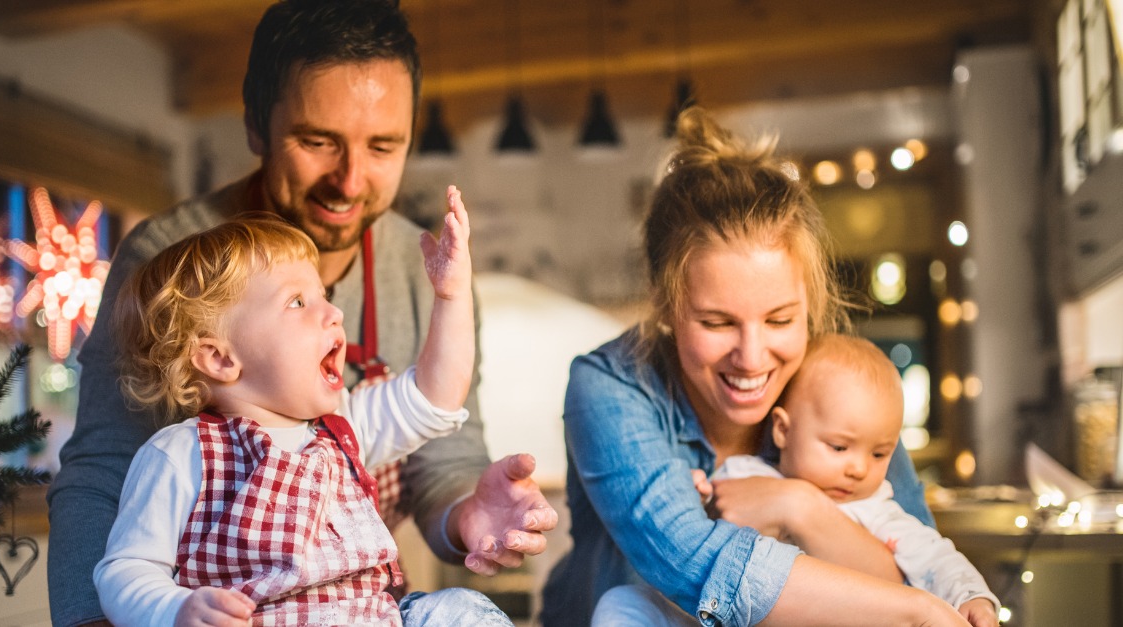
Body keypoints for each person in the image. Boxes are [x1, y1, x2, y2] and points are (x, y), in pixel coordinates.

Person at [47, 2, 556, 625]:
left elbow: (443, 441)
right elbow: (105, 469)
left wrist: (469, 515)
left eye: (384, 146)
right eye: (317, 141)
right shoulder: (170, 267)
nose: (350, 181)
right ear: (257, 127)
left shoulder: (426, 274)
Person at [540, 106, 970, 627]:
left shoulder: (843, 385)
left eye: (780, 319)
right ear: (666, 307)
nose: (752, 356)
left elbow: (913, 567)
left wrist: (798, 507)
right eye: (718, 322)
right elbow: (694, 562)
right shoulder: (610, 386)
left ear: (810, 304)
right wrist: (914, 610)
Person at [93, 206, 512, 626]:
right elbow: (125, 570)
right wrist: (174, 610)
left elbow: (435, 394)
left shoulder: (345, 427)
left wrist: (450, 297)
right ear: (220, 358)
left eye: (323, 296)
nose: (334, 314)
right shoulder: (181, 455)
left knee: (458, 609)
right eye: (297, 302)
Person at [591, 334, 1000, 627]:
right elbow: (694, 541)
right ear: (783, 431)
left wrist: (971, 596)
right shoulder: (747, 475)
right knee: (622, 604)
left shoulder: (879, 511)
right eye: (839, 448)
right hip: (721, 615)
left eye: (879, 454)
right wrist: (695, 494)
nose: (858, 468)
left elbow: (936, 559)